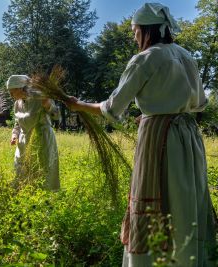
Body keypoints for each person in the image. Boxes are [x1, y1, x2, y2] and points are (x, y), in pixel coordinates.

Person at [64, 3, 216, 266]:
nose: (135, 37)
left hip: (160, 138)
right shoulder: (186, 56)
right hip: (189, 137)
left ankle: (153, 260)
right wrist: (158, 110)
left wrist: (77, 105)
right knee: (185, 196)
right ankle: (188, 258)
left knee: (159, 195)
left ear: (147, 30)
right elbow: (199, 102)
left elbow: (112, 108)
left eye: (135, 32)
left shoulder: (145, 58)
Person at [7, 75, 61, 191]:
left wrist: (48, 105)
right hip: (24, 139)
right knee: (20, 166)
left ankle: (45, 196)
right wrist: (14, 135)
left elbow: (57, 116)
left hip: (42, 138)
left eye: (12, 92)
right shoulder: (17, 103)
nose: (11, 95)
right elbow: (17, 123)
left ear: (20, 88)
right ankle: (24, 192)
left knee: (43, 167)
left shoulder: (39, 96)